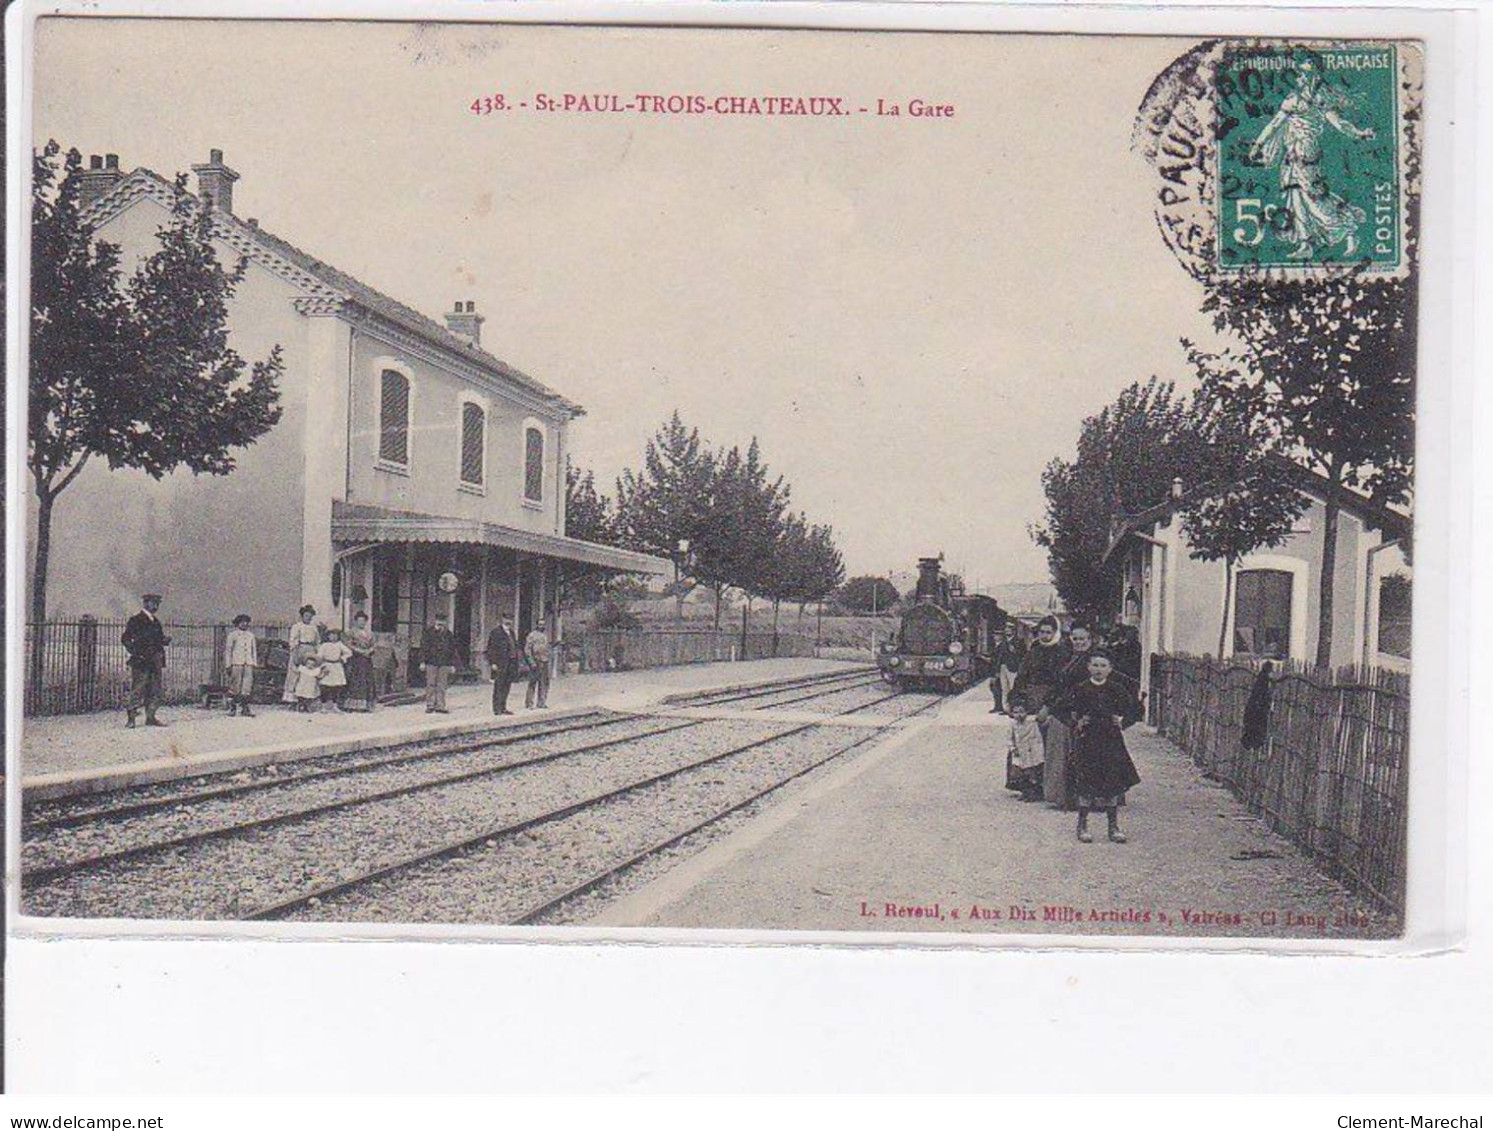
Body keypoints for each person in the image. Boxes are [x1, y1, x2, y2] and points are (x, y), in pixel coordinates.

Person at [1054, 649, 1142, 843]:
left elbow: (1135, 709)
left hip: (1111, 739)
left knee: (1112, 782)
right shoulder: (1080, 689)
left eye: (1103, 666)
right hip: (1087, 739)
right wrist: (1074, 723)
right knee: (1086, 782)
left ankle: (1113, 827)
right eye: (1095, 665)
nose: (1098, 670)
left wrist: (1123, 721)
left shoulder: (1116, 689)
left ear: (1110, 669)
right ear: (1088, 667)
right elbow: (1059, 708)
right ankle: (1082, 825)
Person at [1010, 615, 1069, 798]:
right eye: (1042, 632)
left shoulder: (1062, 653)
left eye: (1048, 632)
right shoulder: (1033, 652)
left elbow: (1062, 683)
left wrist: (1049, 706)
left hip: (1049, 701)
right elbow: (1021, 677)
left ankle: (1045, 786)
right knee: (1025, 741)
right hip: (1030, 700)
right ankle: (1028, 784)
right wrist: (1017, 703)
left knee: (1044, 744)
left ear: (1055, 633)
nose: (1045, 636)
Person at [1044, 623, 1096, 810]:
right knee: (1061, 753)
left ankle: (1085, 798)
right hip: (1064, 709)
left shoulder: (1093, 660)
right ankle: (1064, 795)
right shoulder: (1068, 657)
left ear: (1090, 640)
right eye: (1075, 638)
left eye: (1083, 639)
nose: (1079, 642)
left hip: (1082, 710)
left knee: (1083, 754)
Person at [122, 592, 171, 728]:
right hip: (141, 661)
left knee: (155, 689)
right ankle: (131, 719)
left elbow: (157, 640)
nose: (155, 606)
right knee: (138, 689)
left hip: (155, 661)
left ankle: (151, 717)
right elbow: (125, 639)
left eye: (157, 604)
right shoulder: (136, 620)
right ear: (145, 603)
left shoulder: (156, 622)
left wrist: (164, 641)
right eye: (153, 603)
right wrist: (136, 653)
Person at [1004, 693, 1044, 802]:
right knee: (1019, 773)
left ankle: (1034, 792)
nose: (1019, 715)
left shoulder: (1031, 723)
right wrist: (1013, 748)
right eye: (1016, 712)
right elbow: (1009, 738)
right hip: (1019, 751)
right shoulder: (1012, 725)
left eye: (1022, 712)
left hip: (1031, 751)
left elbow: (1037, 738)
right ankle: (1025, 791)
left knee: (1032, 772)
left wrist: (1038, 751)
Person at [282, 605, 321, 705]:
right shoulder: (297, 626)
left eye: (310, 616)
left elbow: (317, 641)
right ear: (302, 616)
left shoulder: (314, 627)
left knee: (309, 674)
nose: (308, 617)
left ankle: (308, 698)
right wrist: (295, 653)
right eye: (306, 615)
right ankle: (294, 700)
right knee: (296, 673)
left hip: (311, 650)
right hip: (300, 649)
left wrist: (317, 653)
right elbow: (293, 640)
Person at [422, 611, 459, 713]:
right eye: (439, 621)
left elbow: (452, 649)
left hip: (445, 662)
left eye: (443, 621)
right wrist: (422, 661)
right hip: (431, 661)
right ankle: (430, 704)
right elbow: (424, 647)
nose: (441, 623)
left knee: (442, 685)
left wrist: (453, 664)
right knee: (431, 684)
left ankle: (440, 705)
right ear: (435, 621)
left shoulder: (448, 634)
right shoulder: (428, 632)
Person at [485, 613, 521, 716]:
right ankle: (497, 709)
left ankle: (503, 707)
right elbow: (491, 648)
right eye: (506, 619)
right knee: (499, 686)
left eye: (510, 619)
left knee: (507, 686)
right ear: (502, 620)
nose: (508, 621)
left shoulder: (512, 633)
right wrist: (493, 663)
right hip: (500, 663)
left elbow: (514, 647)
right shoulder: (496, 632)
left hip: (510, 663)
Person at [224, 613, 258, 718]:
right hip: (236, 662)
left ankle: (245, 708)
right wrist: (228, 664)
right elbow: (228, 651)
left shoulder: (251, 635)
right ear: (237, 623)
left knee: (246, 686)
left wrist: (254, 663)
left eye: (246, 622)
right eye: (242, 622)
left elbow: (254, 650)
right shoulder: (233, 635)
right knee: (235, 685)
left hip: (248, 662)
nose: (244, 624)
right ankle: (232, 708)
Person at [990, 621, 1027, 714]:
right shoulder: (1004, 642)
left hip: (1013, 668)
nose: (1007, 630)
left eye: (1009, 629)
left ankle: (1014, 707)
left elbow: (1023, 655)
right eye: (1006, 629)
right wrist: (997, 670)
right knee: (1004, 688)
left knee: (1013, 688)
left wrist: (1015, 652)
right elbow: (999, 656)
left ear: (1013, 631)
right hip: (1003, 667)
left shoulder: (1019, 641)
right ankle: (1006, 709)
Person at [344, 612, 377, 712]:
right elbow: (348, 644)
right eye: (359, 621)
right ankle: (353, 705)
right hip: (356, 659)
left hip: (367, 659)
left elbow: (374, 645)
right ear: (356, 621)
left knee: (367, 680)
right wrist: (360, 651)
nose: (361, 623)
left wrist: (369, 651)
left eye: (363, 621)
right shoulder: (351, 632)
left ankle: (366, 705)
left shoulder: (370, 633)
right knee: (356, 680)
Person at [317, 628, 353, 710]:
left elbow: (349, 653)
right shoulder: (324, 645)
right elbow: (319, 656)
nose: (333, 637)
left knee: (336, 687)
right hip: (327, 666)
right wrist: (322, 665)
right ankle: (323, 706)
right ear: (328, 636)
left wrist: (342, 658)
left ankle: (335, 705)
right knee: (325, 686)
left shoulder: (340, 645)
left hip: (337, 666)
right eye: (331, 635)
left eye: (335, 635)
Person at [524, 616, 552, 709]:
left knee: (544, 682)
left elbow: (547, 648)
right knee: (532, 682)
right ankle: (529, 703)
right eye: (540, 624)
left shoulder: (545, 636)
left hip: (545, 661)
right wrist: (531, 662)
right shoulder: (532, 635)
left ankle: (541, 702)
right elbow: (527, 650)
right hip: (536, 661)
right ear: (536, 625)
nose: (541, 626)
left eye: (543, 624)